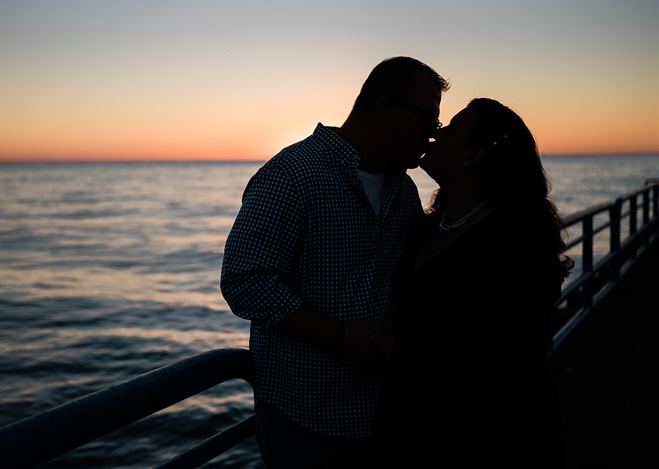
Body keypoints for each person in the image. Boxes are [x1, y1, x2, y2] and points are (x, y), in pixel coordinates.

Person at [219, 56, 450, 468]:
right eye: (427, 121)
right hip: (307, 416)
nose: (431, 136)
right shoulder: (293, 174)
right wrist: (339, 337)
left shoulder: (404, 189)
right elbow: (244, 279)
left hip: (387, 409)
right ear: (384, 108)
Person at [372, 98, 573, 467]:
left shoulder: (517, 243)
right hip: (415, 428)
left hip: (485, 438)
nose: (435, 133)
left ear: (473, 156)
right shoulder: (426, 227)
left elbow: (510, 360)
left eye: (452, 126)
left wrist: (404, 355)